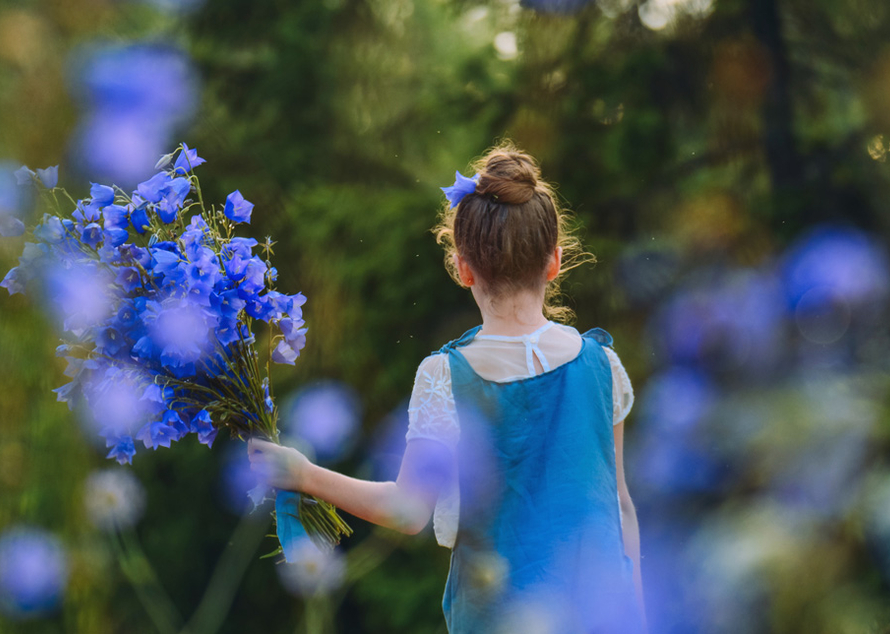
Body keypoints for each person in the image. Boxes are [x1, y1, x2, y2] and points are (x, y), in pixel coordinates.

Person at [249, 143, 645, 633]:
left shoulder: (443, 376)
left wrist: (304, 474)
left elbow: (408, 510)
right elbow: (621, 505)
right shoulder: (603, 365)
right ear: (555, 262)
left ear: (463, 268)